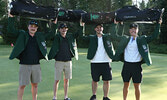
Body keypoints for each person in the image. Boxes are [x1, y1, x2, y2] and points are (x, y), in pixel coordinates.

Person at [7, 13, 57, 100]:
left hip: (36, 65)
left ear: (37, 28)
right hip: (24, 65)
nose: (33, 28)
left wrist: (55, 24)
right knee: (22, 85)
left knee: (35, 85)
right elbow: (11, 30)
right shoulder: (22, 34)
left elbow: (52, 34)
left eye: (35, 26)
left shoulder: (40, 36)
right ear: (28, 27)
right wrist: (11, 18)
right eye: (31, 26)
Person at [113, 19, 162, 100]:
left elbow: (154, 36)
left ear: (137, 30)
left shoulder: (142, 39)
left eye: (135, 29)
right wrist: (116, 25)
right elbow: (114, 36)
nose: (133, 30)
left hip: (137, 66)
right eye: (132, 29)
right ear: (129, 30)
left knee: (137, 86)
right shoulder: (125, 39)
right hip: (127, 65)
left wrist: (158, 24)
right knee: (126, 85)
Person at [80, 22, 116, 100]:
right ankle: (94, 96)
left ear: (102, 28)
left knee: (106, 81)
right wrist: (82, 26)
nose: (99, 29)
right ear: (95, 29)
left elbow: (114, 34)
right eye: (97, 27)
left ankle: (105, 97)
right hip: (95, 62)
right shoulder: (92, 37)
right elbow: (82, 37)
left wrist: (115, 24)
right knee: (95, 80)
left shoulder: (107, 37)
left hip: (106, 61)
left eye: (100, 27)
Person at [48, 22, 83, 100]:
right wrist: (54, 24)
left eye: (65, 28)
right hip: (59, 62)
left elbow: (78, 33)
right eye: (62, 28)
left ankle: (66, 97)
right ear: (59, 29)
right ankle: (54, 97)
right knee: (57, 80)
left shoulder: (70, 37)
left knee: (66, 80)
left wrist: (81, 25)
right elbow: (51, 34)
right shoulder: (56, 37)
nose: (64, 30)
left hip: (68, 62)